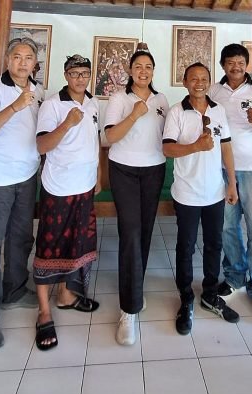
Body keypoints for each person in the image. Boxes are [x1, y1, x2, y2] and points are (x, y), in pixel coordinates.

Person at [0, 37, 45, 352]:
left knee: (21, 238)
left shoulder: (38, 90)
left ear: (35, 63)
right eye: (17, 56)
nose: (22, 62)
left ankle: (14, 289)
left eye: (28, 57)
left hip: (27, 176)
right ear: (7, 59)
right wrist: (14, 106)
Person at [163, 62, 239, 335]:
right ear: (185, 82)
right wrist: (196, 145)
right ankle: (186, 298)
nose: (199, 83)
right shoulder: (177, 111)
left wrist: (232, 183)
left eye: (204, 78)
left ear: (209, 81)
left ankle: (209, 294)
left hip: (215, 192)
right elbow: (168, 149)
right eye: (193, 78)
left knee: (214, 244)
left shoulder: (219, 110)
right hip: (186, 193)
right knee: (185, 247)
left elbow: (226, 147)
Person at [33, 54, 101, 351]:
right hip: (58, 187)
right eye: (74, 73)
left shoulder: (93, 102)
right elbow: (42, 145)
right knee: (50, 247)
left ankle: (65, 295)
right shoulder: (52, 105)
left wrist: (98, 175)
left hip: (85, 186)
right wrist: (67, 123)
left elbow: (95, 141)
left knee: (76, 244)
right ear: (65, 75)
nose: (80, 78)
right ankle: (43, 313)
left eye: (85, 73)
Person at [207, 43, 252, 324]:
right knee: (227, 227)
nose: (235, 67)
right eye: (230, 63)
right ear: (223, 65)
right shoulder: (213, 91)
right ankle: (234, 276)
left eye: (240, 63)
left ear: (246, 64)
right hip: (222, 169)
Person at [104, 49, 169, 346]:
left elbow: (168, 135)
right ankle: (128, 309)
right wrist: (133, 114)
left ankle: (135, 289)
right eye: (138, 66)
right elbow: (110, 137)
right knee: (130, 233)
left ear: (153, 71)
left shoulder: (161, 99)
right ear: (130, 71)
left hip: (154, 170)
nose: (143, 71)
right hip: (124, 170)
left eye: (149, 67)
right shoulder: (119, 98)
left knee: (144, 233)